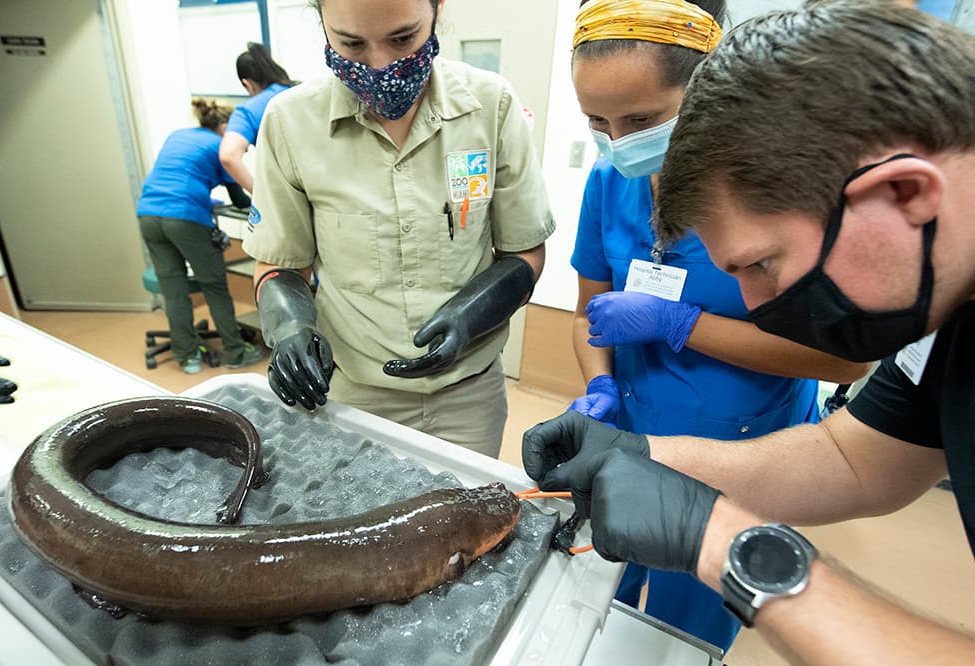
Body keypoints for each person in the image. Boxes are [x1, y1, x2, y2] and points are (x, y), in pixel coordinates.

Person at [523, 2, 975, 663]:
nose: (753, 302)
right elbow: (850, 460)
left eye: (763, 264)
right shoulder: (938, 313)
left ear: (904, 193)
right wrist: (644, 458)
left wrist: (726, 545)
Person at [564, 0, 869, 651]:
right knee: (594, 598)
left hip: (742, 453)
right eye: (596, 121)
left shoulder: (777, 190)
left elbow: (845, 361)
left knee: (684, 629)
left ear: (707, 90)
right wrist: (599, 388)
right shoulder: (609, 183)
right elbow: (589, 316)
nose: (617, 142)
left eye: (642, 120)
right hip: (630, 437)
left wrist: (681, 324)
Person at [242, 0, 554, 458]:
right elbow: (279, 262)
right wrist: (289, 325)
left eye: (403, 38)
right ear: (321, 23)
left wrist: (472, 316)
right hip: (353, 392)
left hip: (467, 392)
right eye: (350, 43)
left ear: (437, 10)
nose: (380, 65)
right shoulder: (290, 123)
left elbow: (525, 252)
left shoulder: (492, 106)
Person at [137, 98, 263, 374]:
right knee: (214, 285)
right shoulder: (221, 146)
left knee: (174, 289)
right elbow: (239, 198)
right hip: (184, 216)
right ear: (225, 127)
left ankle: (188, 356)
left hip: (147, 214)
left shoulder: (178, 135)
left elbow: (177, 174)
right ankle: (236, 351)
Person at [219, 43, 299, 193]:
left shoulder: (248, 110)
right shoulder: (302, 92)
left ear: (247, 83)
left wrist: (259, 195)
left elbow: (228, 156)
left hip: (290, 195)